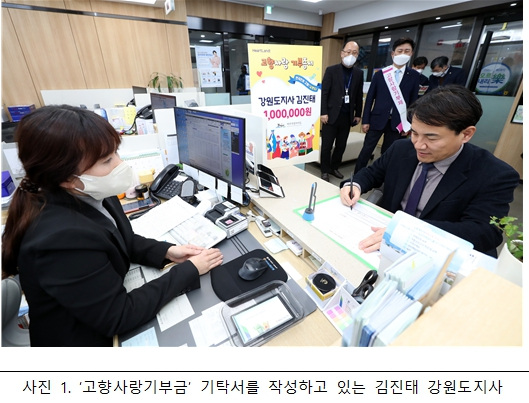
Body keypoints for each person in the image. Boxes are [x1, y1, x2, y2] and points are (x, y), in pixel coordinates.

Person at [1, 105, 223, 347]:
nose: (120, 164)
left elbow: (120, 238)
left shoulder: (92, 192)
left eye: (115, 153)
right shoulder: (60, 238)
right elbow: (119, 316)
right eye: (107, 160)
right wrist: (189, 270)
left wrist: (167, 251)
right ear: (67, 178)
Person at [339, 85, 519, 256]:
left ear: (466, 134)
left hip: (435, 252)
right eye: (414, 133)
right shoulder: (401, 149)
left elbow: (485, 232)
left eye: (431, 138)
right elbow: (372, 173)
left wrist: (411, 232)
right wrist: (354, 185)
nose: (418, 145)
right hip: (381, 240)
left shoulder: (495, 174)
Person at [354, 37, 420, 174]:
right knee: (366, 150)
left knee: (389, 153)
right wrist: (365, 120)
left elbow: (413, 103)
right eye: (400, 51)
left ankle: (381, 178)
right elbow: (370, 98)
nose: (403, 54)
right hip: (376, 119)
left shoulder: (414, 76)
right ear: (393, 53)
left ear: (411, 53)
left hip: (398, 122)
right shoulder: (381, 74)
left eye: (407, 51)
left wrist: (408, 124)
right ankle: (357, 176)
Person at [320, 40, 364, 181]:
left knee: (341, 145)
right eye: (348, 52)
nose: (351, 55)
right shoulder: (331, 70)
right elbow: (324, 93)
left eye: (354, 53)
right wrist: (323, 112)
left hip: (347, 116)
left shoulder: (358, 73)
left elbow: (358, 95)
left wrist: (358, 114)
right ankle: (325, 170)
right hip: (331, 115)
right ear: (342, 53)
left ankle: (334, 167)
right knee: (326, 146)